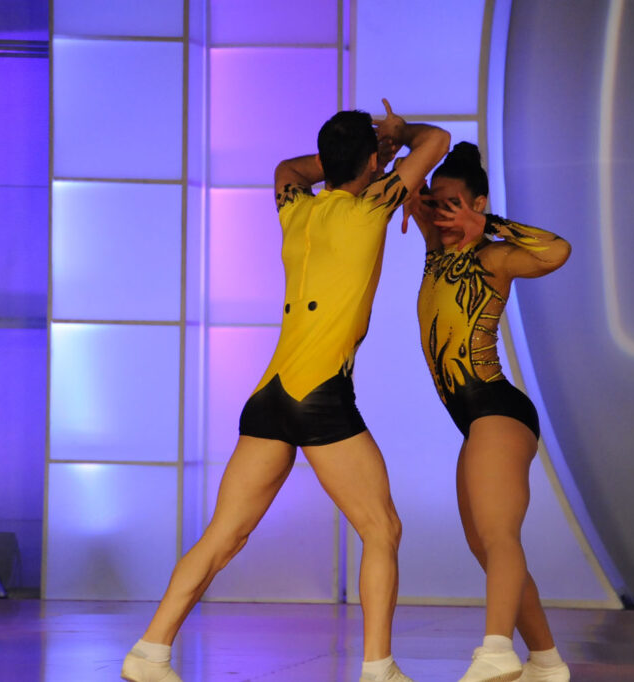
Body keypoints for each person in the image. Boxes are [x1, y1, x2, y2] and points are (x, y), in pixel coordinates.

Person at [121, 101, 449, 682]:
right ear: (373, 164)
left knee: (224, 535)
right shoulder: (371, 207)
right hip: (319, 393)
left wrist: (357, 152)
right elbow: (438, 140)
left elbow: (289, 169)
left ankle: (150, 651)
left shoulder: (297, 209)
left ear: (330, 160)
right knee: (382, 529)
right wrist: (398, 135)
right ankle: (379, 668)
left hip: (270, 395)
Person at [402, 142, 573, 682]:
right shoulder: (435, 246)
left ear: (477, 204)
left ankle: (496, 651)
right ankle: (546, 661)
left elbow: (558, 251)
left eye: (454, 205)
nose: (441, 214)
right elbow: (409, 181)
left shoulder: (492, 257)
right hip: (472, 420)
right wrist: (403, 135)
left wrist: (487, 224)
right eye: (437, 204)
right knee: (486, 547)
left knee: (499, 538)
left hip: (497, 408)